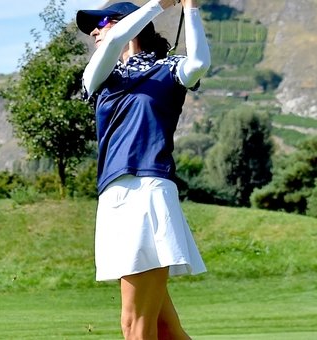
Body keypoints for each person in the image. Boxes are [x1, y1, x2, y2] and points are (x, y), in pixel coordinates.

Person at [76, 0, 210, 339]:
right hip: (112, 198)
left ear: (127, 22)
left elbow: (198, 63)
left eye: (101, 22)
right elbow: (118, 38)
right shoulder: (101, 75)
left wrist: (189, 9)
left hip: (149, 193)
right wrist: (160, 4)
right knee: (165, 329)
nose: (94, 30)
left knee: (135, 326)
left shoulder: (168, 69)